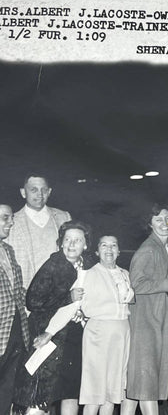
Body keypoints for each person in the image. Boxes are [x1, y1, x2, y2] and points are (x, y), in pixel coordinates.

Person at [14, 220, 93, 415]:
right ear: (60, 243)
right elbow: (32, 301)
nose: (72, 244)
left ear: (86, 244)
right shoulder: (53, 264)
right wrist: (68, 297)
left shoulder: (89, 266)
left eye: (77, 240)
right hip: (49, 336)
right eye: (67, 240)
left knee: (70, 392)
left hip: (74, 337)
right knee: (40, 394)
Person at [123, 205, 168, 415]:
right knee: (147, 384)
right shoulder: (147, 249)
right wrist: (167, 284)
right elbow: (136, 284)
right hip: (145, 321)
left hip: (159, 318)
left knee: (138, 386)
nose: (165, 224)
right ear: (149, 225)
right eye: (159, 220)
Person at [79, 235, 134, 415]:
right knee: (95, 392)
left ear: (119, 251)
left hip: (121, 334)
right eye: (104, 245)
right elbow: (85, 307)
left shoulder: (125, 274)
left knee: (113, 392)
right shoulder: (90, 274)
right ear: (97, 251)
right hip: (99, 334)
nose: (109, 249)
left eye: (113, 245)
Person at [7, 175, 71, 288]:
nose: (40, 194)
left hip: (60, 294)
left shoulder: (64, 217)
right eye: (34, 190)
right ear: (23, 192)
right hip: (25, 296)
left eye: (44, 190)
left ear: (49, 191)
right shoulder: (10, 223)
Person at [0, 204, 30, 415]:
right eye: (5, 218)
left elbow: (17, 290)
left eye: (11, 218)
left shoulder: (8, 250)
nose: (10, 222)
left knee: (8, 387)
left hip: (15, 329)